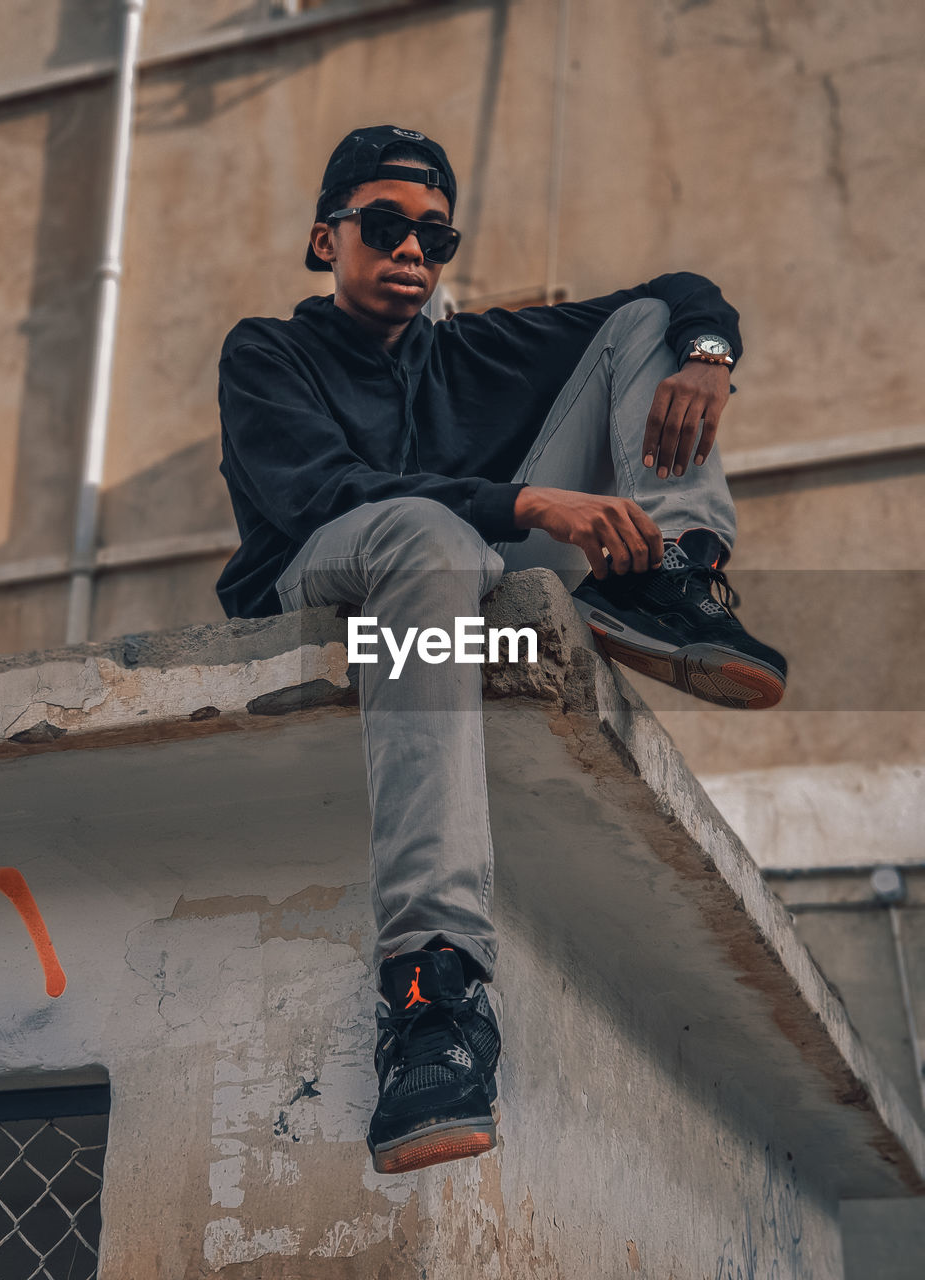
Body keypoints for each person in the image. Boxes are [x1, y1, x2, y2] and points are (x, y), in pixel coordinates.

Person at [216, 125, 786, 1175]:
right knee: (435, 535)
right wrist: (525, 501)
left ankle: (668, 573)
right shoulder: (268, 352)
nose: (410, 253)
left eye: (434, 236)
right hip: (321, 579)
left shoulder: (470, 351)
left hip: (456, 571)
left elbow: (676, 290)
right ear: (322, 239)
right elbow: (317, 494)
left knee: (651, 324)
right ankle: (431, 990)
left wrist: (708, 359)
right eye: (382, 227)